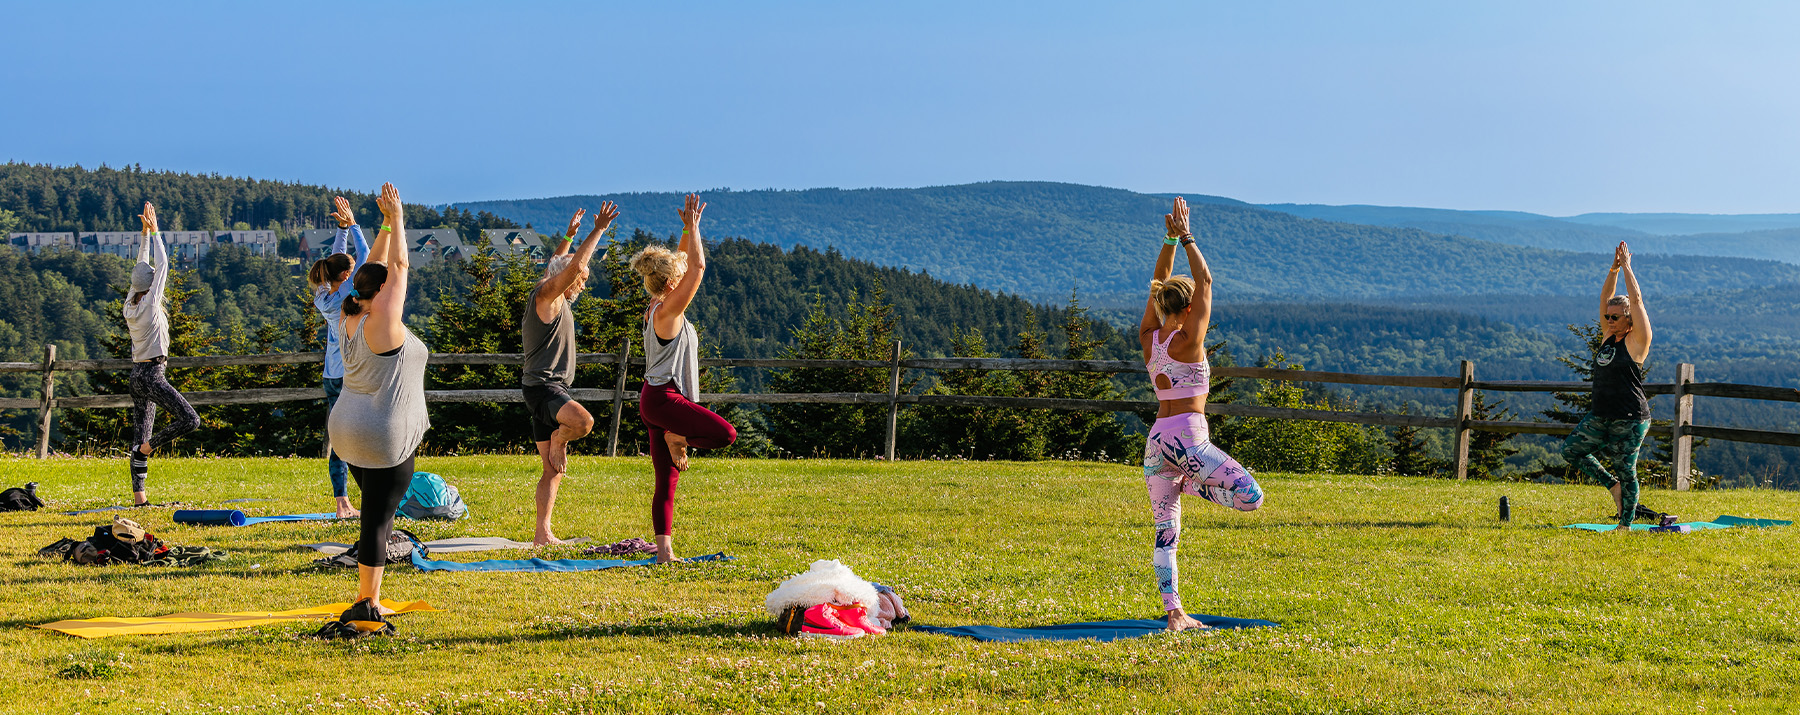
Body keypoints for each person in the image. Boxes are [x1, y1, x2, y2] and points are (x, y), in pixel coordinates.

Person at [1138, 196, 1264, 632]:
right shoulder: (1189, 340)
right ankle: (1193, 487)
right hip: (1189, 441)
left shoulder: (1149, 337)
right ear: (1188, 309)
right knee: (1251, 497)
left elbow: (1157, 283)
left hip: (1156, 443)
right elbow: (1205, 279)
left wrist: (1169, 240)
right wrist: (1186, 236)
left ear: (1160, 307)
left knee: (1165, 533)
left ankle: (1175, 615)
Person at [325, 182, 429, 629]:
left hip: (346, 431)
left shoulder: (350, 314)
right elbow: (398, 265)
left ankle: (371, 592)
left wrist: (384, 224)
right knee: (377, 522)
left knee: (375, 515)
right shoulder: (384, 323)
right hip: (380, 432)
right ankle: (369, 600)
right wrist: (399, 218)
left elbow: (375, 267)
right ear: (383, 292)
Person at [629, 194, 737, 564]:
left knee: (667, 479)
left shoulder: (657, 305)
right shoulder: (670, 309)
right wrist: (695, 229)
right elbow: (698, 267)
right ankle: (678, 437)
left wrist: (687, 228)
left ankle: (664, 553)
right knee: (726, 435)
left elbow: (681, 263)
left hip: (652, 398)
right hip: (665, 400)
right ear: (672, 281)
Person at [521, 202, 618, 546]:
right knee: (583, 423)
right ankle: (561, 438)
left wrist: (568, 235)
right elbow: (573, 265)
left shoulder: (547, 289)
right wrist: (598, 230)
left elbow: (559, 264)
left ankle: (542, 534)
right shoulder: (548, 296)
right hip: (545, 389)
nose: (581, 283)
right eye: (580, 280)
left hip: (542, 388)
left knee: (552, 470)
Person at [1562, 242, 1653, 532]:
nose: (1609, 320)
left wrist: (1627, 266)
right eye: (1607, 317)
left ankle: (1625, 525)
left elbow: (1637, 301)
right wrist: (1612, 268)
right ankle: (1612, 486)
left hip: (1629, 418)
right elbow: (1605, 296)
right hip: (1601, 415)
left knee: (1627, 470)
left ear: (1628, 320)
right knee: (1571, 451)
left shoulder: (1637, 341)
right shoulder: (1607, 336)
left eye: (1615, 317)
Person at [123, 202, 200, 505]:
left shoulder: (130, 303)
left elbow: (142, 267)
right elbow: (163, 263)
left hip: (137, 375)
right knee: (190, 420)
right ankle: (147, 449)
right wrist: (155, 232)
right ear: (151, 285)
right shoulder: (151, 304)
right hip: (153, 375)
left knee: (140, 432)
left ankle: (139, 497)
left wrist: (143, 235)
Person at [307, 196, 370, 518]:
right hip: (348, 374)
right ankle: (358, 498)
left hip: (331, 375)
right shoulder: (347, 294)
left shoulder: (323, 292)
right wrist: (354, 225)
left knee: (339, 437)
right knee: (354, 436)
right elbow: (367, 259)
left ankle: (342, 501)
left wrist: (342, 229)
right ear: (346, 276)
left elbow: (338, 260)